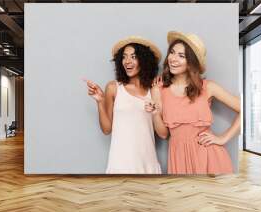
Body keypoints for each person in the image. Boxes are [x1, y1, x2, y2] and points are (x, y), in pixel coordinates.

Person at [146, 31, 240, 174]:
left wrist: (223, 138)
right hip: (179, 158)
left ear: (191, 62)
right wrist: (155, 114)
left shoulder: (208, 87)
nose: (173, 59)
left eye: (181, 56)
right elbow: (164, 134)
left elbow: (243, 108)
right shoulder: (158, 90)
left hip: (210, 157)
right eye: (172, 52)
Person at [85, 36, 162, 174]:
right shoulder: (114, 88)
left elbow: (162, 132)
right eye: (124, 57)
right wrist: (100, 101)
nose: (127, 61)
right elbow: (107, 129)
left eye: (133, 57)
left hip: (147, 164)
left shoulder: (153, 90)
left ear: (144, 61)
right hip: (120, 164)